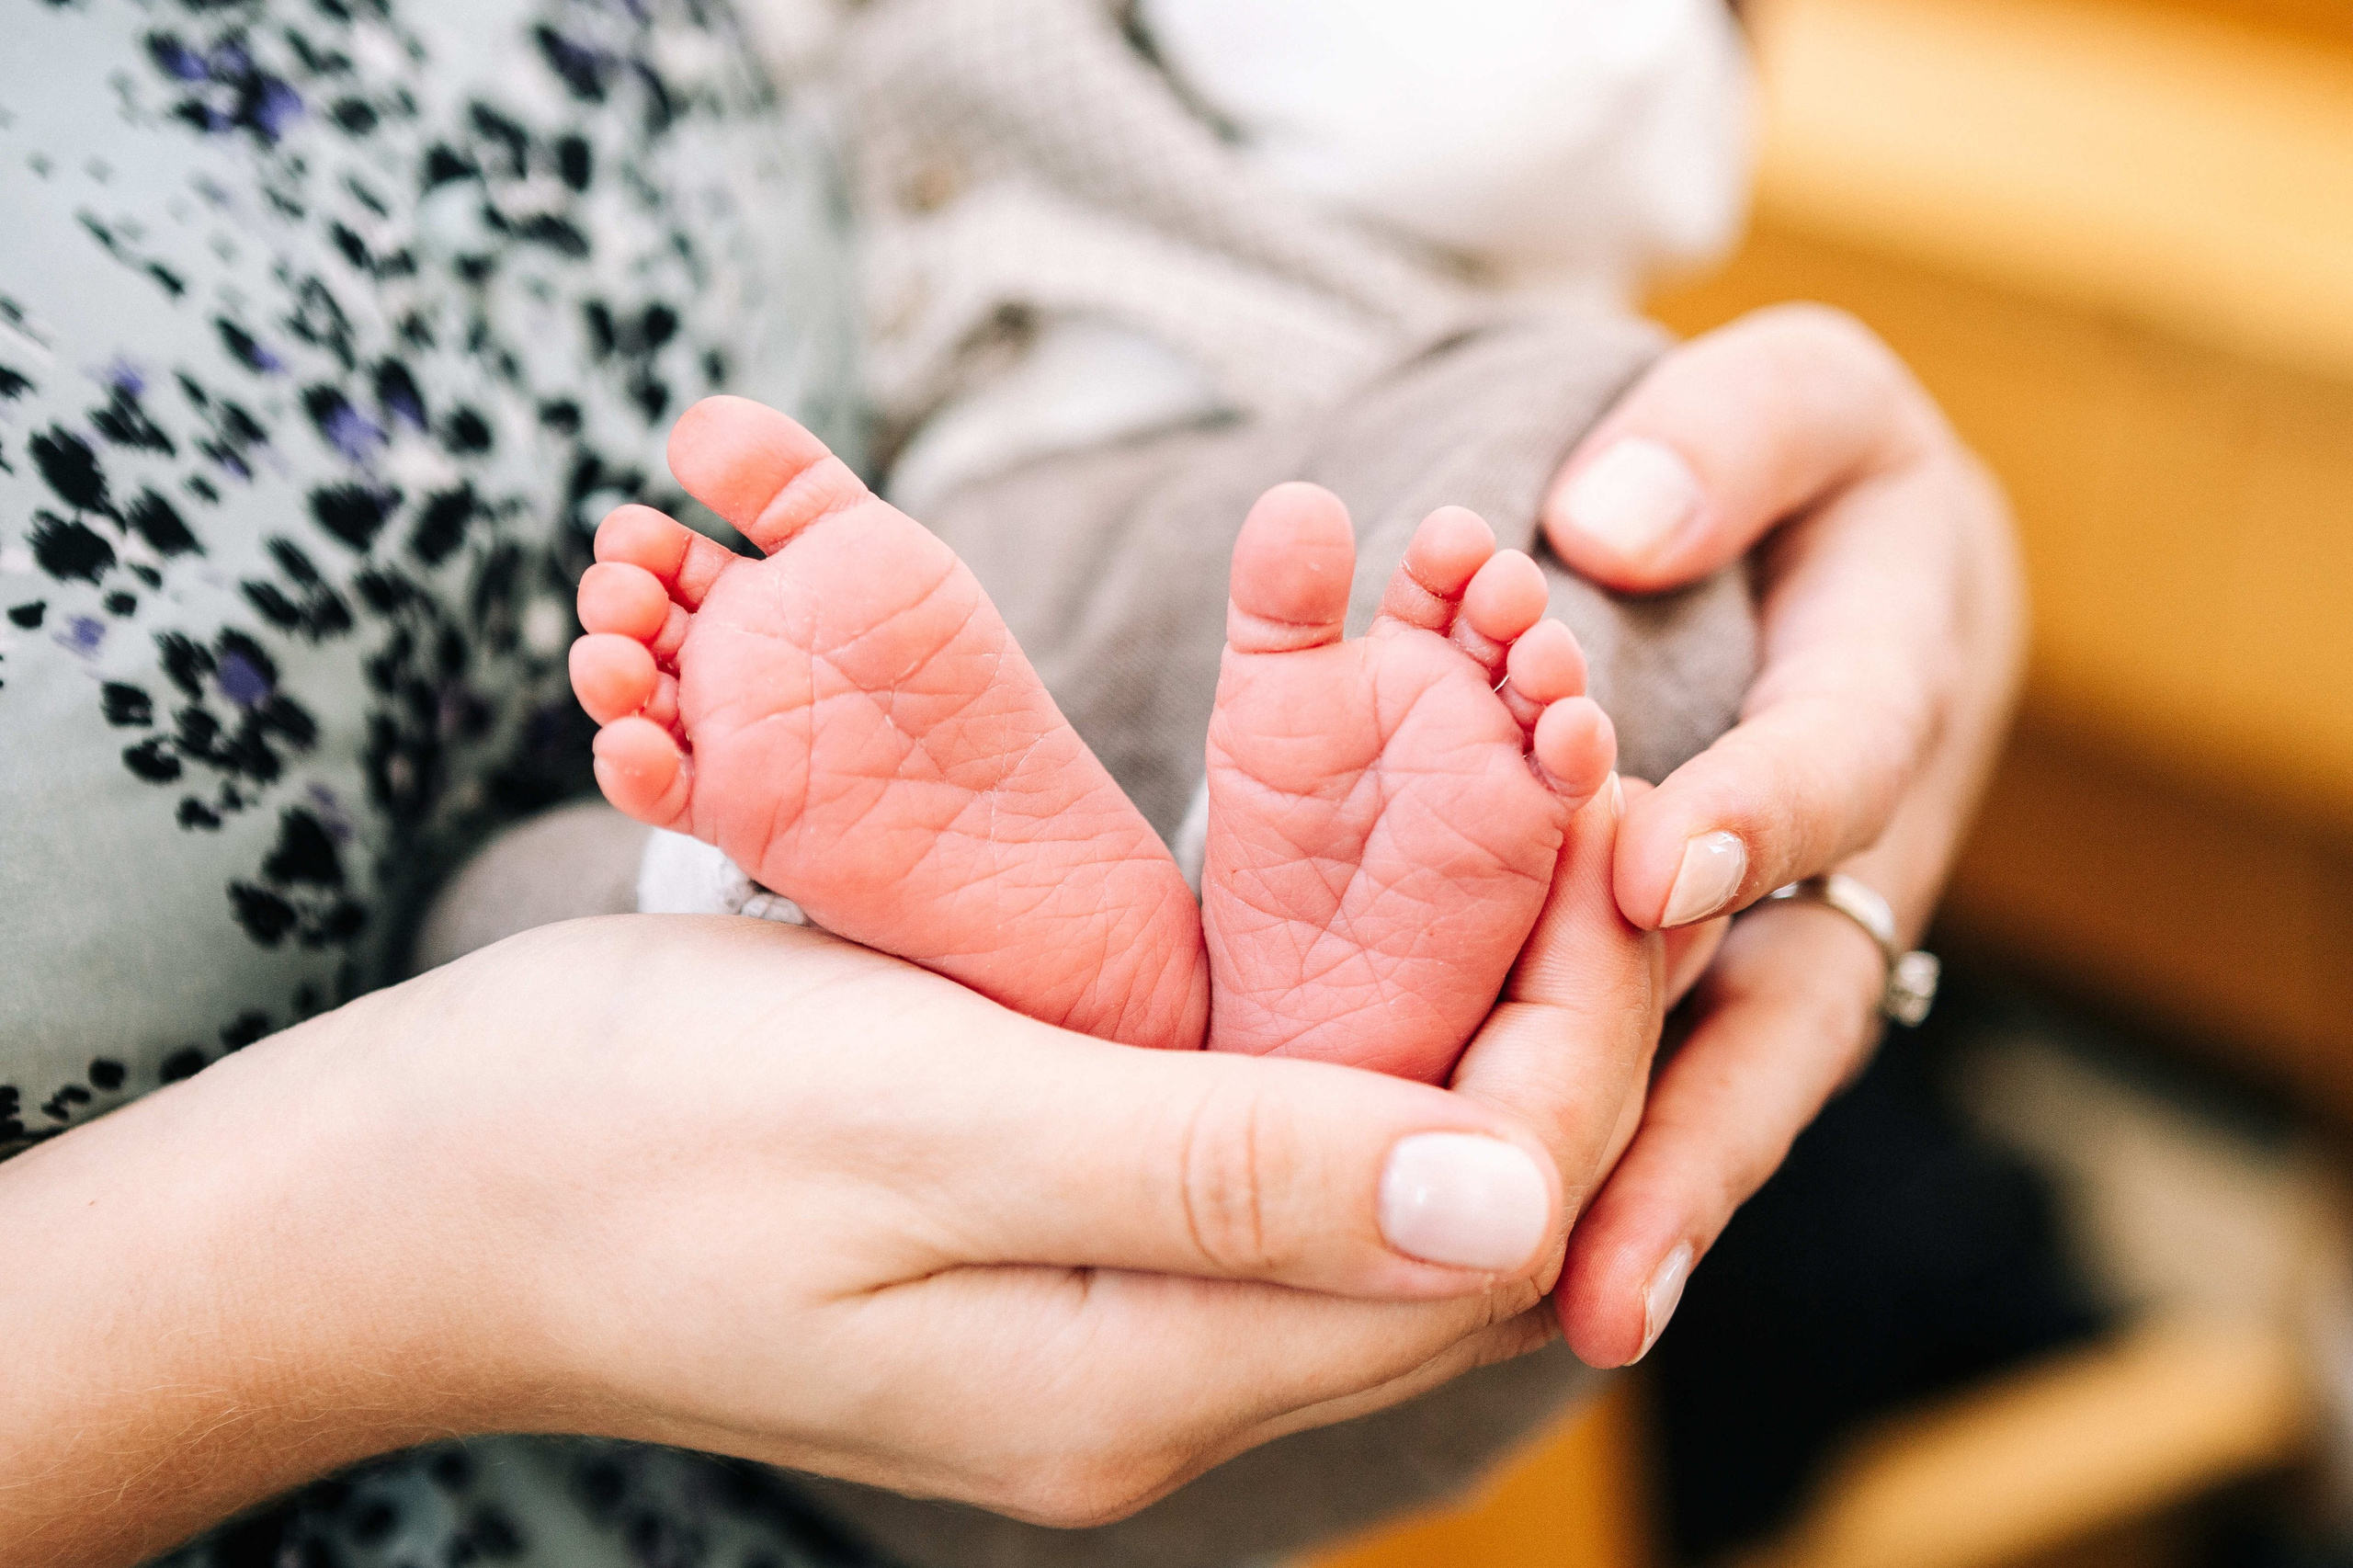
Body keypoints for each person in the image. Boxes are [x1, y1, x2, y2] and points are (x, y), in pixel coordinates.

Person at [0, 2, 2026, 1566]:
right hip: (955, 665)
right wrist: (385, 1217)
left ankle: (1233, 976)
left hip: (1263, 505)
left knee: (1566, 511)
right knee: (504, 935)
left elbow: (1527, 106)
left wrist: (1898, 589)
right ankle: (1027, 956)